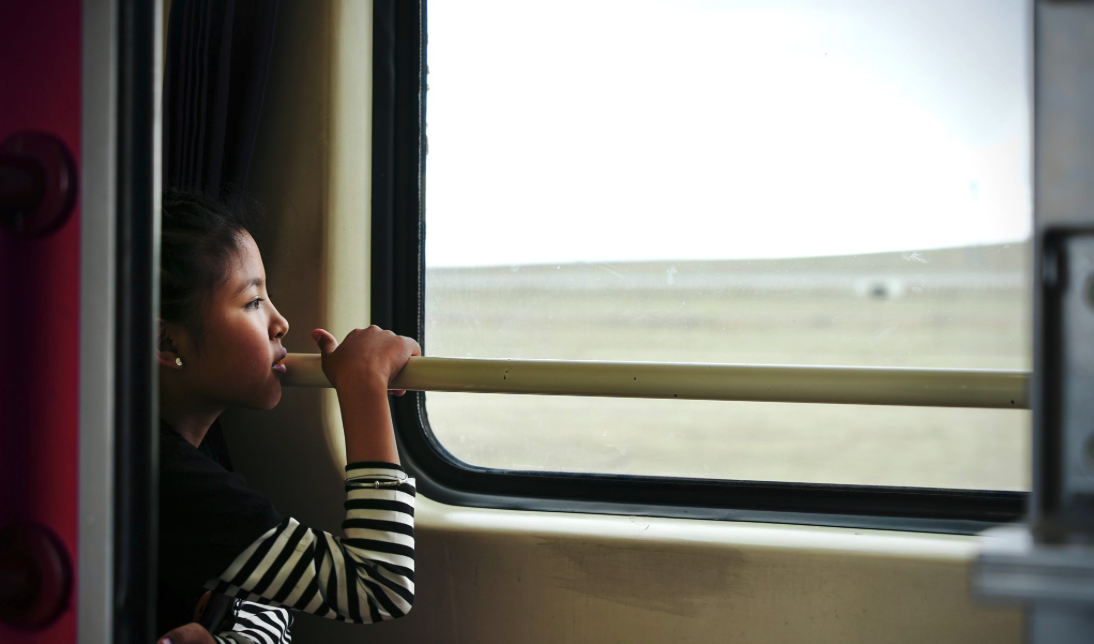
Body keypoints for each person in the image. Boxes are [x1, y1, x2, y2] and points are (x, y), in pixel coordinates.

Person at [155, 190, 420, 644]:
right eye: (253, 302)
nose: (281, 323)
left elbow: (265, 594)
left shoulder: (193, 446)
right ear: (168, 343)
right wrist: (363, 384)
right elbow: (380, 586)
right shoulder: (170, 479)